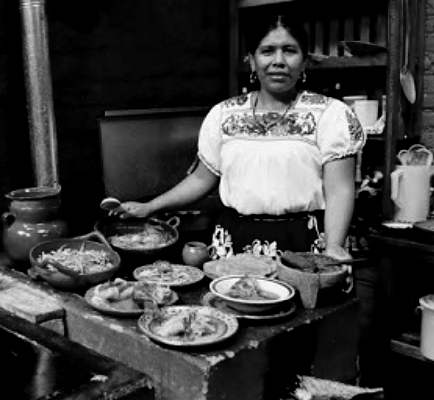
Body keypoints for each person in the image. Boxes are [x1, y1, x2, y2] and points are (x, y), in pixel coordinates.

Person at [113, 15, 366, 261]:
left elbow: (340, 189)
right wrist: (151, 207)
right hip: (234, 243)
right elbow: (202, 178)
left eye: (289, 50)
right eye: (267, 51)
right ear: (252, 61)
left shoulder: (330, 114)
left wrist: (333, 246)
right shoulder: (224, 114)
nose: (278, 61)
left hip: (303, 244)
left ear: (304, 62)